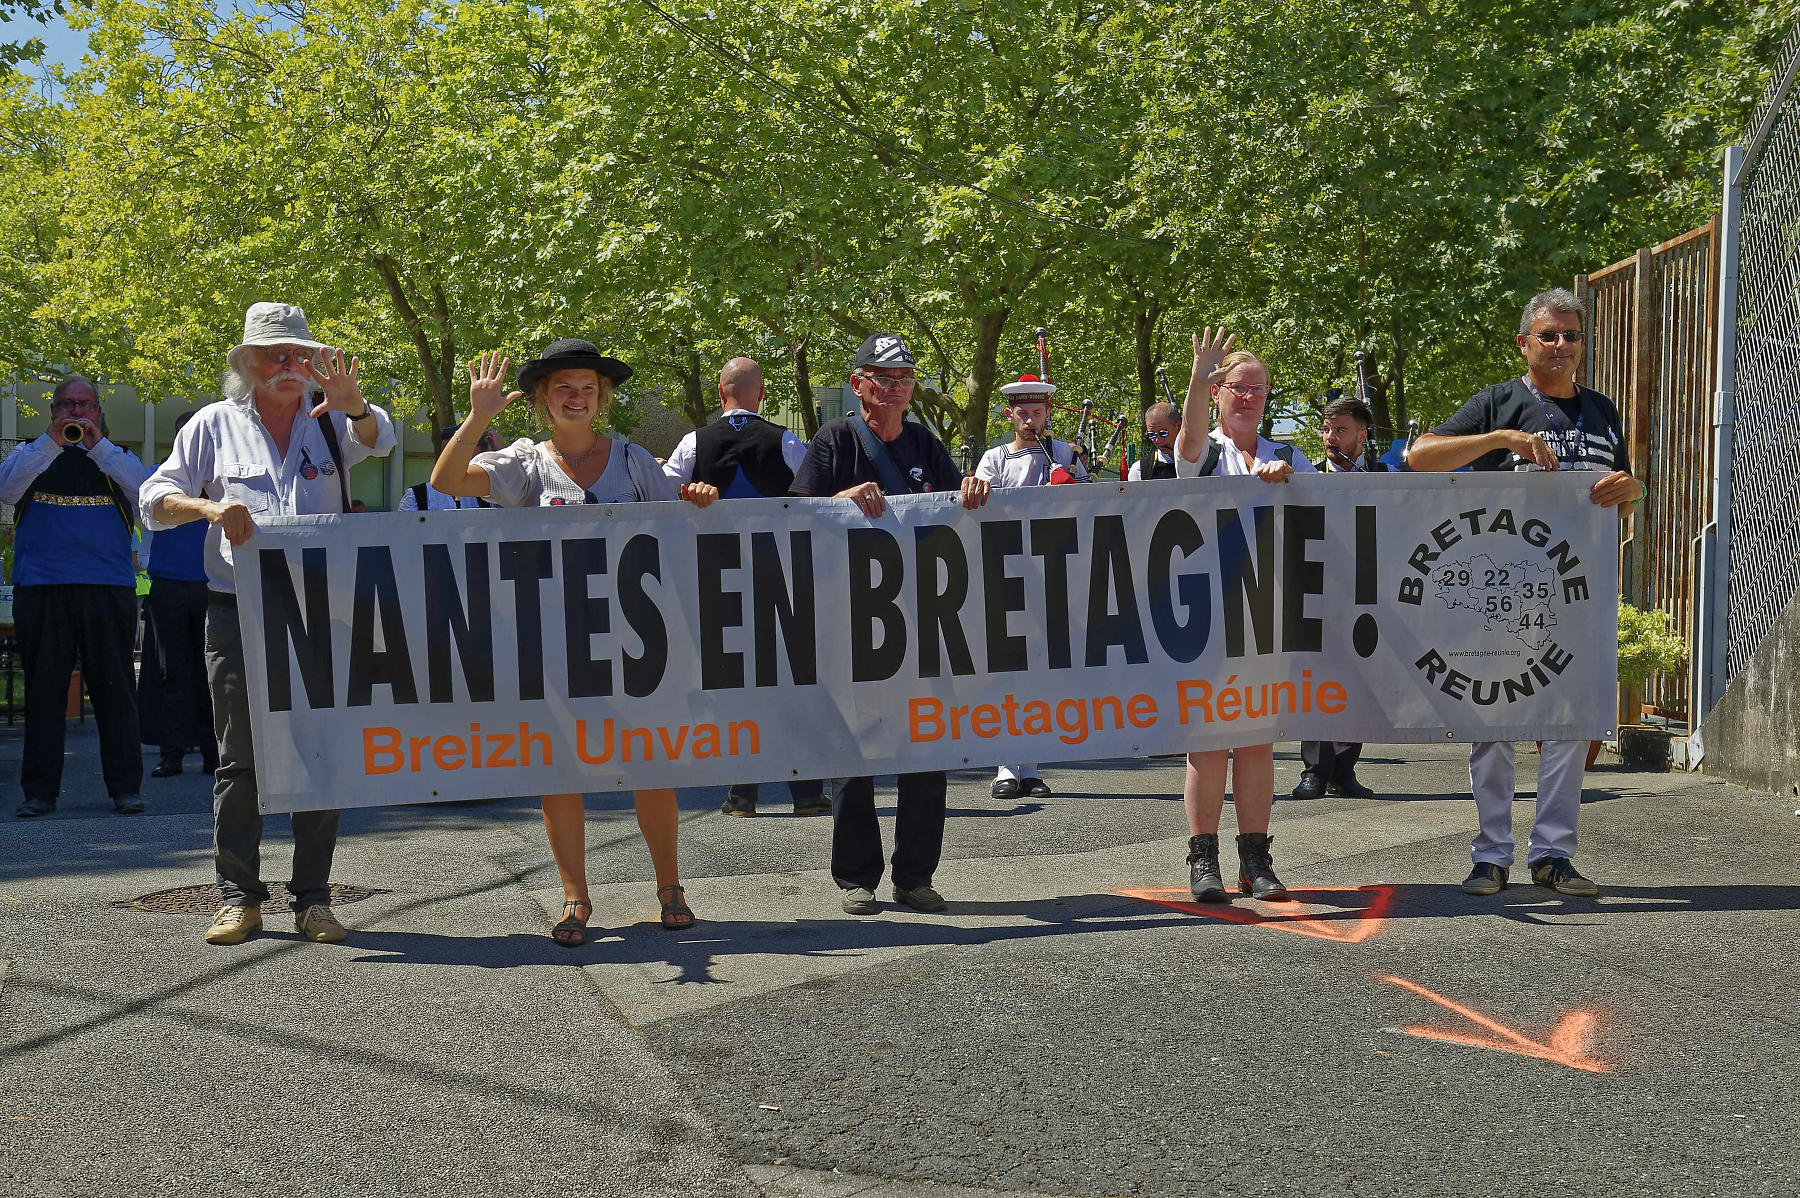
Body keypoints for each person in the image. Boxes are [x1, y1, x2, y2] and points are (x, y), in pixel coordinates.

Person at [430, 340, 720, 945]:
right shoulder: (522, 464)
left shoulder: (637, 462)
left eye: (588, 387)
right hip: (553, 646)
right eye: (563, 386)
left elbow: (680, 528)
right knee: (560, 771)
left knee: (651, 765)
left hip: (639, 645)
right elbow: (448, 479)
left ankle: (670, 887)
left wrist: (699, 501)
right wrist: (478, 414)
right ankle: (574, 898)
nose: (576, 397)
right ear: (540, 397)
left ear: (602, 397)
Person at [141, 302, 396, 945]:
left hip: (320, 612)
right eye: (276, 353)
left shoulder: (334, 422)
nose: (290, 365)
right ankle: (238, 896)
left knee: (321, 753)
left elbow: (381, 440)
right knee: (240, 758)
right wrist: (206, 505)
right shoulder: (213, 425)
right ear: (248, 362)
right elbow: (153, 499)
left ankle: (312, 898)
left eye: (299, 354)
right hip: (237, 609)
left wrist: (354, 401)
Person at [1408, 288, 1641, 899]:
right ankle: (1490, 856)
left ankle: (1554, 855)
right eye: (1549, 335)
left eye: (1570, 335)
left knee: (1569, 725)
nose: (1561, 345)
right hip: (1496, 594)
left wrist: (1630, 488)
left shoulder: (1602, 411)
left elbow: (1625, 484)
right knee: (1495, 725)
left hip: (1573, 593)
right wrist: (1499, 440)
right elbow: (1419, 457)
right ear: (1525, 343)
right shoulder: (1498, 402)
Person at [790, 332, 990, 916]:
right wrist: (841, 498)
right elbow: (794, 512)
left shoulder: (926, 442)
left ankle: (915, 875)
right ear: (858, 386)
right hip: (855, 623)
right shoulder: (833, 441)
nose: (898, 387)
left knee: (926, 751)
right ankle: (856, 877)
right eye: (884, 377)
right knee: (855, 756)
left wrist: (972, 488)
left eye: (904, 378)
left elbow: (956, 504)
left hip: (923, 621)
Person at [1171, 329, 1316, 902]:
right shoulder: (1207, 450)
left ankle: (1256, 857)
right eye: (1237, 386)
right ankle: (1202, 858)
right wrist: (1197, 377)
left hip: (1270, 609)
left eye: (1258, 388)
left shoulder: (1289, 454)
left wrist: (1289, 483)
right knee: (1208, 740)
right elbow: (1185, 449)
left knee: (1257, 739)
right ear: (1219, 391)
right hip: (1209, 610)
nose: (1249, 396)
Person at [663, 355, 828, 818]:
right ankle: (807, 793)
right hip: (785, 580)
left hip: (717, 581)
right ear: (761, 395)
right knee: (796, 686)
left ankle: (742, 796)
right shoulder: (787, 440)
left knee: (738, 688)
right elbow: (814, 500)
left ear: (720, 394)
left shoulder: (693, 442)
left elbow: (661, 494)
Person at [0, 375, 151, 817]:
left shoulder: (115, 455)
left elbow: (146, 494)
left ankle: (126, 787)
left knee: (115, 688)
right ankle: (39, 792)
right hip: (43, 586)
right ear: (53, 411)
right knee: (44, 690)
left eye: (84, 405)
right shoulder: (31, 452)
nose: (76, 413)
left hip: (107, 586)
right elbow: (6, 490)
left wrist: (97, 445)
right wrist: (51, 442)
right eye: (67, 405)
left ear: (98, 411)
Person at [974, 372, 1089, 800]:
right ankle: (1006, 765)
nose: (1030, 421)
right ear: (1011, 414)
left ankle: (1033, 765)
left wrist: (1071, 478)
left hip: (1053, 573)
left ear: (1048, 414)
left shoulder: (1065, 454)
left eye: (1037, 413)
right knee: (1008, 670)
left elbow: (1088, 499)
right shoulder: (996, 459)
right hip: (1008, 572)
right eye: (1022, 413)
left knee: (1041, 672)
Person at [1291, 395, 1387, 802]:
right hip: (1316, 590)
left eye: (1341, 430)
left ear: (1362, 435)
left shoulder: (1385, 476)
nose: (1330, 437)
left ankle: (1345, 770)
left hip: (1367, 593)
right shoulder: (1306, 476)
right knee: (1315, 679)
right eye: (1327, 429)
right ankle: (1314, 770)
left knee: (1358, 679)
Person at [145, 412, 218, 779]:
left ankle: (214, 755)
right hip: (169, 584)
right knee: (172, 673)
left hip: (212, 585)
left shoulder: (223, 480)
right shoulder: (163, 478)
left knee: (213, 675)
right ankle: (171, 754)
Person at [399, 425, 498, 510]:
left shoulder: (491, 496)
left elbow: (510, 516)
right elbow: (403, 530)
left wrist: (500, 453)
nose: (453, 463)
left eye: (464, 457)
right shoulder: (416, 496)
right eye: (447, 456)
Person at [1127, 401, 1180, 480]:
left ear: (1178, 427)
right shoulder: (1140, 470)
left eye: (1163, 433)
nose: (1157, 440)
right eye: (1151, 434)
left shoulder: (1201, 460)